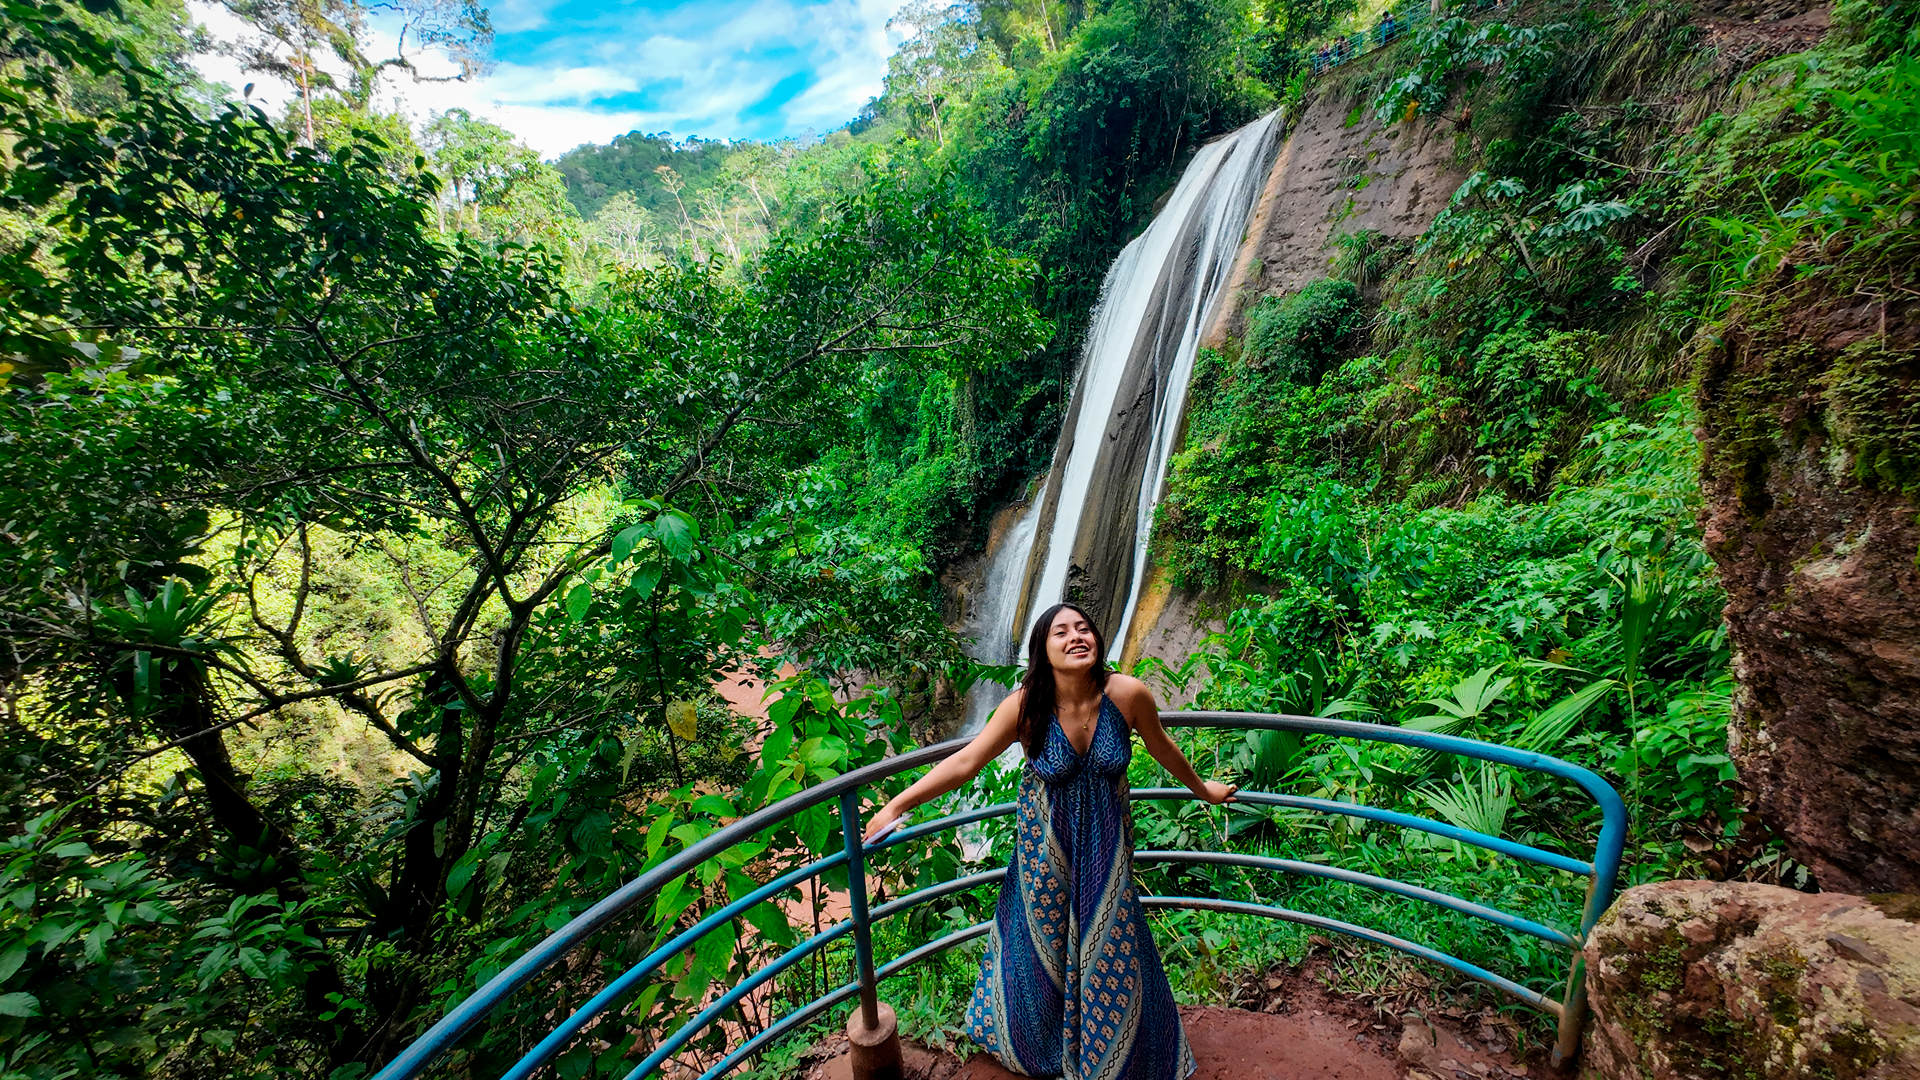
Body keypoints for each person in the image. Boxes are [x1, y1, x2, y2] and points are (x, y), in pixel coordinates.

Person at [863, 602, 1238, 1079]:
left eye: (1084, 628)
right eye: (1061, 632)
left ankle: (1115, 1060)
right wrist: (897, 805)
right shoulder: (1025, 706)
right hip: (1045, 855)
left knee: (1110, 946)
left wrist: (1203, 790)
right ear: (1043, 649)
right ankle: (1040, 1049)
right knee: (1042, 952)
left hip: (1106, 852)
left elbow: (1162, 746)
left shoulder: (1128, 695)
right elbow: (966, 762)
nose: (1076, 636)